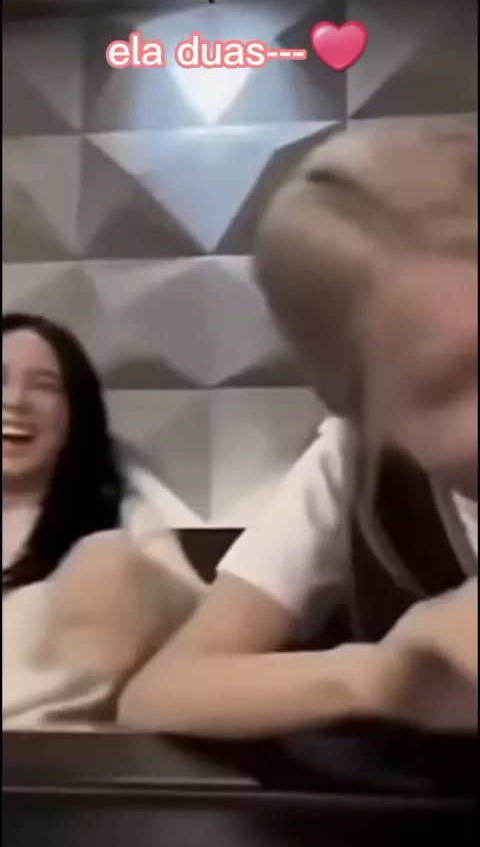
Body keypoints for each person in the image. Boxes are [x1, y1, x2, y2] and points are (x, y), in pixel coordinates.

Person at [119, 125, 477, 738]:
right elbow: (161, 693)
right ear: (363, 413)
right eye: (447, 384)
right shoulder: (353, 469)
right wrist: (389, 676)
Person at [3, 313, 204, 729]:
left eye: (44, 386)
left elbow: (204, 622)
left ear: (74, 416)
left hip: (58, 749)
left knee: (106, 558)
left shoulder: (122, 520)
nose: (16, 400)